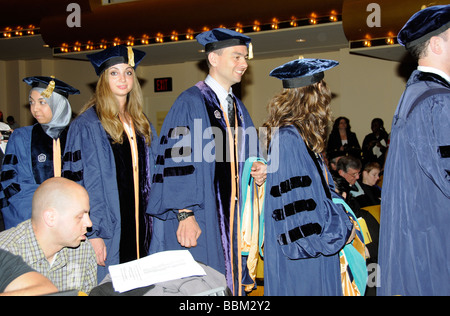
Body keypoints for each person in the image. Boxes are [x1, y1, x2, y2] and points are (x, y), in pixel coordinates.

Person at [147, 28, 265, 296]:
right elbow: (176, 161)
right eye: (237, 57)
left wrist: (256, 167)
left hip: (233, 218)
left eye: (245, 58)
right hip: (202, 215)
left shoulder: (236, 106)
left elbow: (244, 156)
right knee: (201, 284)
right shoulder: (190, 102)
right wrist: (184, 213)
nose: (244, 64)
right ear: (214, 59)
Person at [62, 45, 157, 282]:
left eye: (128, 72)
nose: (123, 78)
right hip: (108, 229)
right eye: (114, 72)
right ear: (103, 79)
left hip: (143, 227)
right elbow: (76, 183)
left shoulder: (141, 122)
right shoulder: (87, 125)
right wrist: (92, 233)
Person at [262, 58, 354, 296]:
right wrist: (340, 231)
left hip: (315, 248)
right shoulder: (289, 139)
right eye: (322, 87)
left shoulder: (302, 138)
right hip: (304, 257)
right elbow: (298, 214)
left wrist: (344, 221)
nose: (326, 94)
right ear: (313, 95)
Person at [378, 5, 450, 296]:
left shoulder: (415, 93)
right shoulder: (439, 100)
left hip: (419, 236)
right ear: (436, 44)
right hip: (436, 239)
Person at [0, 76, 79, 229]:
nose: (35, 108)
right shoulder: (22, 137)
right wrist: (42, 217)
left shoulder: (76, 137)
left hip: (71, 222)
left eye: (42, 102)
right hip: (31, 220)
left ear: (59, 105)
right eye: (31, 102)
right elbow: (13, 183)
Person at [0, 177, 96, 294]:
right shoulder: (5, 252)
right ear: (51, 218)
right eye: (80, 217)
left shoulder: (83, 249)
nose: (89, 223)